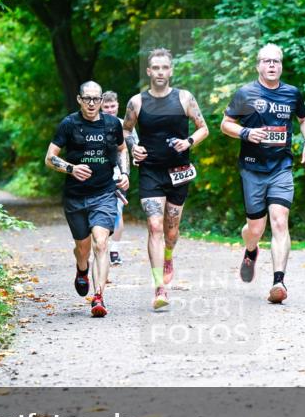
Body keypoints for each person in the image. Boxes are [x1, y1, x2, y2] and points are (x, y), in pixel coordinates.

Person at [220, 43, 305, 304]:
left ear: (281, 66)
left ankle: (278, 282)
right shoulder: (246, 93)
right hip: (252, 168)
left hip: (281, 168)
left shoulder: (292, 93)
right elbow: (225, 124)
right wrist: (246, 133)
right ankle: (251, 250)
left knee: (280, 221)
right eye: (267, 61)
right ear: (258, 66)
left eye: (276, 61)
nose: (272, 65)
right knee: (255, 228)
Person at [122, 48, 209, 310]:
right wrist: (134, 147)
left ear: (170, 71)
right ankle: (159, 286)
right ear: (149, 71)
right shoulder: (137, 102)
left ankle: (168, 254)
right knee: (155, 227)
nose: (160, 72)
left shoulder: (184, 98)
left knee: (170, 232)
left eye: (164, 68)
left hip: (178, 172)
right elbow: (126, 130)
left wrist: (188, 141)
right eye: (156, 68)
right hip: (150, 171)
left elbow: (203, 128)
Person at [45, 81, 129, 317]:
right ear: (79, 100)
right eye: (87, 99)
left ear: (101, 100)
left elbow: (122, 149)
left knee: (100, 243)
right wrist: (71, 169)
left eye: (96, 99)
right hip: (76, 197)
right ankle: (82, 269)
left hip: (104, 194)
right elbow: (49, 158)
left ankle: (98, 297)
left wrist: (124, 173)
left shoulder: (112, 124)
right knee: (83, 249)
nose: (92, 103)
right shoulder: (69, 124)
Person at [101, 91, 127, 266]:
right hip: (96, 176)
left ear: (118, 105)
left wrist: (126, 173)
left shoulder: (124, 125)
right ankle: (99, 247)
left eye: (113, 106)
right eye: (106, 107)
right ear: (101, 107)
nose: (110, 110)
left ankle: (114, 251)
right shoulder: (93, 124)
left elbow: (132, 148)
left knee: (117, 212)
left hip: (117, 175)